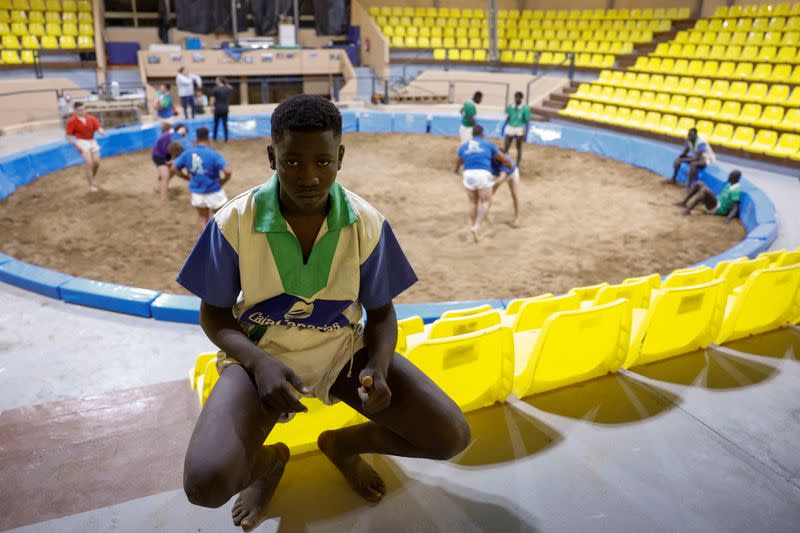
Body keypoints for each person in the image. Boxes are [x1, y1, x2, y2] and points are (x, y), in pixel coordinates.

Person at [178, 95, 470, 532]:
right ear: (271, 156)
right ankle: (269, 465)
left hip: (341, 354)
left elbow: (383, 314)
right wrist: (258, 364)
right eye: (293, 162)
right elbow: (215, 315)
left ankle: (344, 445)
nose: (310, 176)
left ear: (341, 158)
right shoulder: (234, 220)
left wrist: (378, 365)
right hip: (261, 358)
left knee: (450, 436)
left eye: (323, 161)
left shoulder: (366, 223)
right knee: (205, 484)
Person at [455, 123, 514, 242]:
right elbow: (501, 157)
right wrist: (508, 163)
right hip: (483, 173)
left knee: (472, 202)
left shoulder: (464, 145)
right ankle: (477, 226)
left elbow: (458, 160)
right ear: (482, 134)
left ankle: (473, 226)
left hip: (468, 174)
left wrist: (456, 169)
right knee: (486, 201)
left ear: (472, 134)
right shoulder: (488, 144)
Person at [172, 127, 232, 231]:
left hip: (197, 192)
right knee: (222, 219)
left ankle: (205, 242)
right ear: (208, 138)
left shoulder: (188, 153)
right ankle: (222, 242)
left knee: (203, 218)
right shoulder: (213, 154)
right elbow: (228, 171)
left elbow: (173, 168)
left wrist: (186, 177)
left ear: (197, 138)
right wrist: (223, 181)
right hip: (214, 191)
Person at [65, 101, 106, 192]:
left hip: (92, 141)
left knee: (96, 162)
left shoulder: (91, 118)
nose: (82, 111)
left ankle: (92, 177)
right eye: (80, 110)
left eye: (84, 109)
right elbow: (68, 135)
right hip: (81, 141)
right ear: (75, 111)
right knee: (89, 163)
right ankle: (91, 184)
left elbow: (98, 127)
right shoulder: (72, 121)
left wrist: (101, 131)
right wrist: (76, 145)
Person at [676, 169, 742, 223]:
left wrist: (728, 219)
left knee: (705, 190)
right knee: (699, 183)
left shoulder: (736, 190)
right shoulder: (730, 184)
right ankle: (684, 202)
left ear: (734, 178)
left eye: (730, 175)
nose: (728, 177)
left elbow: (735, 207)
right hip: (716, 202)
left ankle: (687, 211)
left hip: (718, 209)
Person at [491, 150, 521, 228]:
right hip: (499, 174)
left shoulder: (506, 161)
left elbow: (501, 178)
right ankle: (485, 215)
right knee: (490, 194)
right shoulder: (491, 155)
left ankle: (517, 218)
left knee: (514, 194)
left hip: (511, 174)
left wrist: (490, 184)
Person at [503, 91, 531, 166]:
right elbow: (507, 117)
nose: (517, 99)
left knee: (518, 147)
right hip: (510, 127)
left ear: (521, 98)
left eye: (518, 97)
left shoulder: (525, 108)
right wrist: (504, 127)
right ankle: (505, 162)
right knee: (506, 146)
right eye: (516, 97)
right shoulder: (510, 106)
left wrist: (526, 133)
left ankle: (517, 164)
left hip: (519, 128)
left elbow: (527, 121)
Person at [152, 121, 176, 201]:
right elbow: (166, 150)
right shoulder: (167, 137)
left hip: (163, 156)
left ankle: (160, 188)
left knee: (171, 171)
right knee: (165, 175)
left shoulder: (169, 136)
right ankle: (163, 198)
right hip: (159, 157)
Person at [212, 77, 233, 142]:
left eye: (217, 80)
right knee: (225, 124)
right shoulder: (227, 89)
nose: (215, 81)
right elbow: (231, 88)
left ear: (219, 81)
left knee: (216, 124)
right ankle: (226, 139)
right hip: (225, 108)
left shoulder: (215, 89)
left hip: (217, 108)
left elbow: (213, 99)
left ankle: (214, 138)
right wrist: (226, 83)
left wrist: (212, 107)